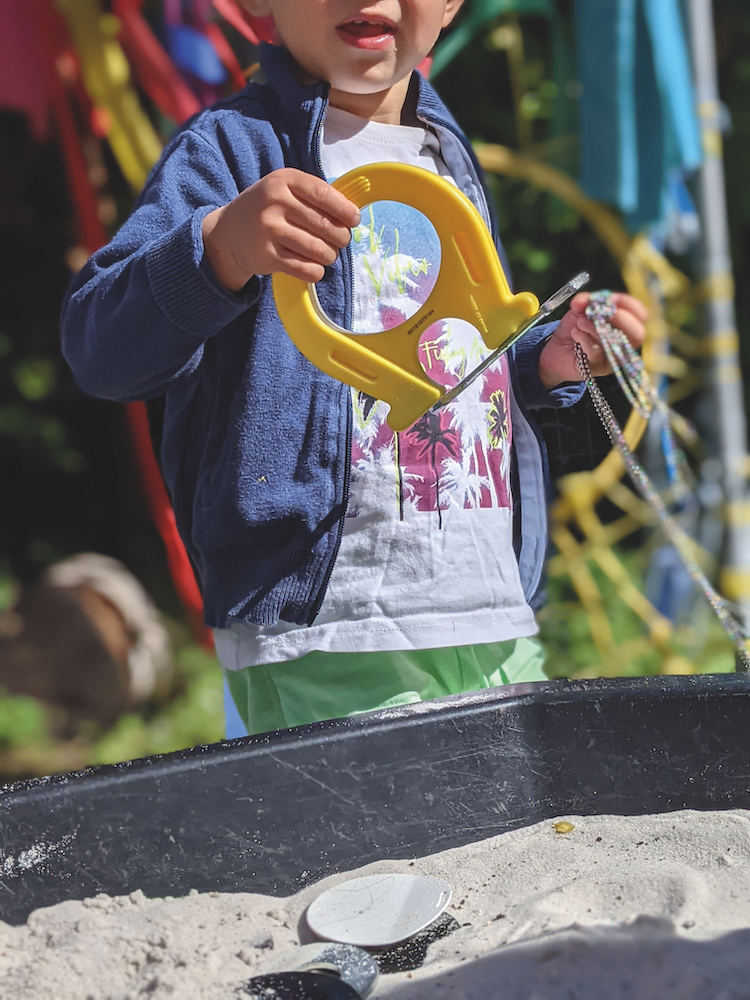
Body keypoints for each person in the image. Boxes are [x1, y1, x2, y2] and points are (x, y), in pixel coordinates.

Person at [61, 0, 647, 735]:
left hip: (489, 610)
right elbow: (101, 349)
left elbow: (453, 358)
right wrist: (221, 249)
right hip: (326, 632)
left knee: (502, 842)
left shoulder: (445, 153)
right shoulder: (232, 151)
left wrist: (544, 368)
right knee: (373, 851)